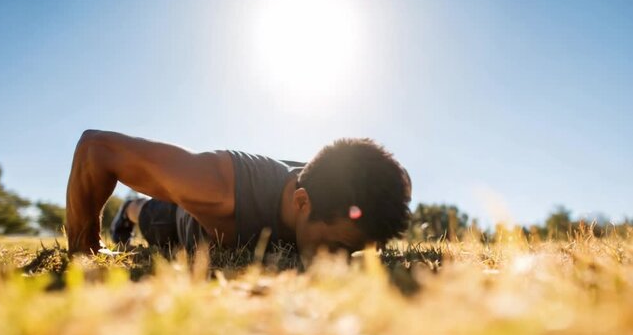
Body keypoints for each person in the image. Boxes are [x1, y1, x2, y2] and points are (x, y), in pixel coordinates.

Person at [65, 130, 411, 262]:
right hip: (182, 220)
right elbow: (96, 149)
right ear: (303, 202)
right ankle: (129, 210)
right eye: (337, 247)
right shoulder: (219, 190)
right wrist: (86, 248)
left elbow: (396, 183)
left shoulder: (344, 200)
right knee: (152, 215)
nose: (340, 262)